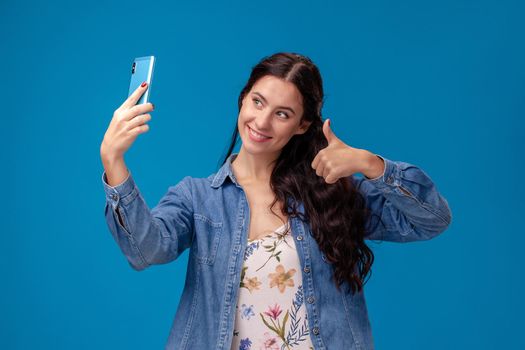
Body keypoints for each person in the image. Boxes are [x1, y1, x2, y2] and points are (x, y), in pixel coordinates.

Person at [100, 52, 452, 350]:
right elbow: (145, 251)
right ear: (243, 99)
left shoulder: (330, 194)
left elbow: (432, 219)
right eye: (258, 101)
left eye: (282, 114)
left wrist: (370, 164)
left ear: (302, 125)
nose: (262, 121)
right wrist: (114, 162)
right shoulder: (197, 198)